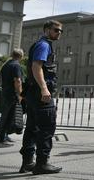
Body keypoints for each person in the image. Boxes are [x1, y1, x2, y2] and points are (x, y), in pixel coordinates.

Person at [19, 19, 63, 174]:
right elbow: (36, 66)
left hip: (33, 93)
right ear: (46, 30)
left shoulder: (43, 45)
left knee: (32, 127)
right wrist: (44, 89)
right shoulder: (44, 45)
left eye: (60, 31)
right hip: (40, 94)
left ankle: (27, 162)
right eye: (56, 30)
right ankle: (42, 164)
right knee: (46, 127)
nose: (59, 33)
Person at [0, 49, 24, 145]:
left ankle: (4, 135)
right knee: (7, 116)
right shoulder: (16, 65)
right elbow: (18, 81)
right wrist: (20, 94)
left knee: (8, 116)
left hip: (5, 93)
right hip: (12, 94)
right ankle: (1, 137)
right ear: (21, 56)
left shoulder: (6, 65)